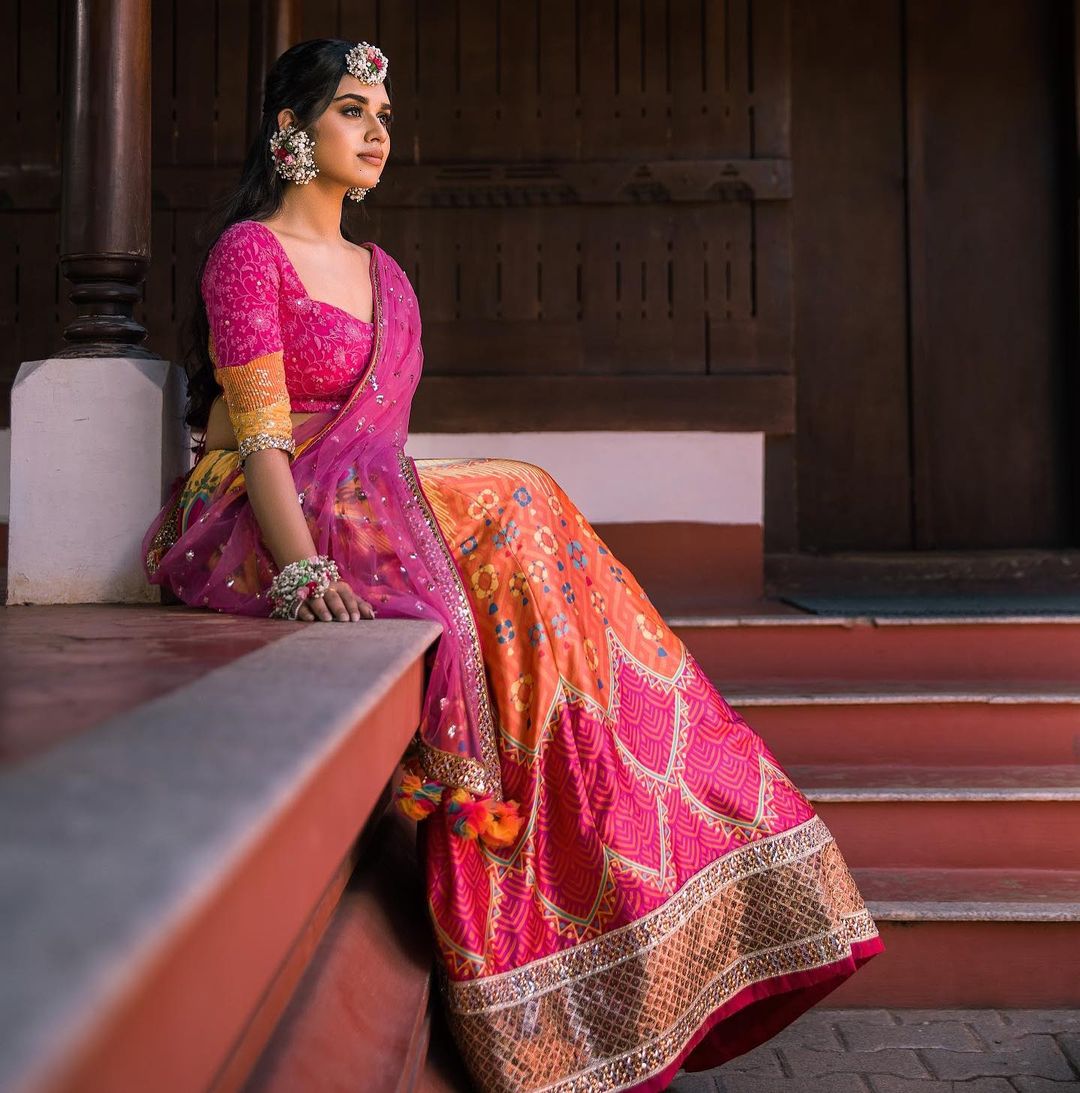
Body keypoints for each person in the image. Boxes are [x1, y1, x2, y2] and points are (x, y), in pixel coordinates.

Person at [142, 37, 883, 1093]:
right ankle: (549, 876)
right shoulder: (249, 256)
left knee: (530, 525)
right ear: (291, 134)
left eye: (385, 112)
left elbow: (381, 445)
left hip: (363, 493)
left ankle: (636, 852)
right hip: (261, 509)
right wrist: (304, 572)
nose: (377, 131)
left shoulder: (385, 275)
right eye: (352, 110)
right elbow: (259, 438)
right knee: (519, 504)